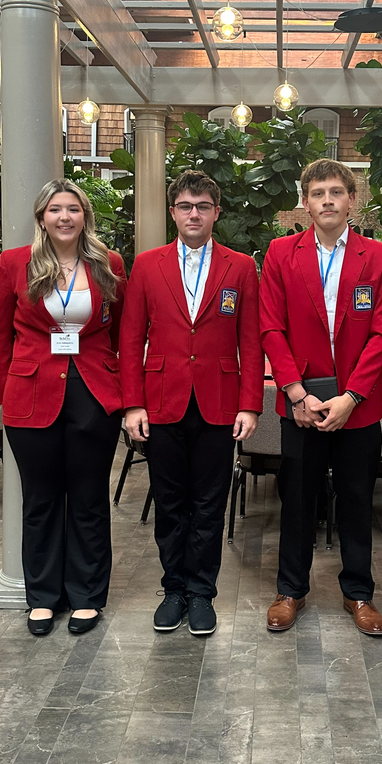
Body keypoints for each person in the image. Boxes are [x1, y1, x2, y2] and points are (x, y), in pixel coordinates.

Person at [120, 170, 264, 636]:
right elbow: (129, 338)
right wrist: (132, 404)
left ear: (216, 212)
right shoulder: (147, 265)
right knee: (170, 503)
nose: (194, 213)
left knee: (209, 504)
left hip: (220, 404)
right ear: (173, 212)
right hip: (161, 402)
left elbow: (249, 339)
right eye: (185, 205)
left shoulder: (239, 267)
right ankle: (174, 589)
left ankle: (202, 592)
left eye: (203, 205)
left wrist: (250, 404)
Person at [259, 159, 382, 635]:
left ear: (351, 200)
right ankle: (290, 590)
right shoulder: (279, 253)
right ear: (306, 202)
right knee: (297, 501)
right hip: (301, 406)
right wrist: (295, 392)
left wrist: (352, 397)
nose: (328, 201)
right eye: (318, 193)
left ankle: (359, 593)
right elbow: (270, 326)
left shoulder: (378, 257)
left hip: (356, 408)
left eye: (337, 192)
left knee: (357, 501)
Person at [0, 178, 127, 637]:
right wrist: (7, 395)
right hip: (31, 399)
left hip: (94, 394)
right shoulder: (15, 264)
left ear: (85, 215)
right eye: (54, 209)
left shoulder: (109, 264)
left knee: (89, 498)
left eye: (73, 208)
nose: (64, 217)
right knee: (41, 500)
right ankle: (44, 597)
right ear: (41, 218)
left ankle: (87, 596)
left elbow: (121, 333)